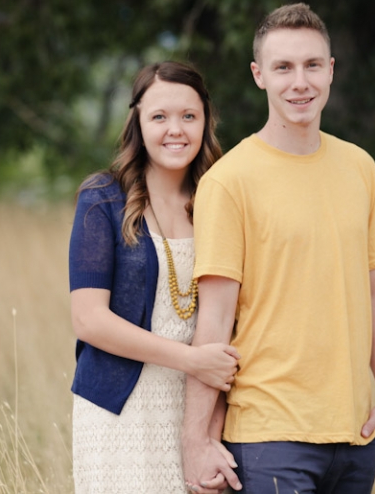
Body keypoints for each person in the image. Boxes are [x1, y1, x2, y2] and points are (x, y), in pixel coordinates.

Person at [181, 3, 375, 494]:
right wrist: (196, 439)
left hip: (356, 434)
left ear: (331, 71)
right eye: (283, 67)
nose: (299, 82)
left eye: (311, 65)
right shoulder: (229, 181)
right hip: (269, 435)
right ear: (259, 76)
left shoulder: (361, 168)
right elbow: (213, 322)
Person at [68, 60, 241, 493]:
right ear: (138, 123)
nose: (175, 129)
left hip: (200, 406)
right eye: (159, 117)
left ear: (206, 121)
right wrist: (190, 360)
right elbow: (89, 319)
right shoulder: (102, 200)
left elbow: (233, 322)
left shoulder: (221, 201)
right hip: (118, 415)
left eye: (188, 116)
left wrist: (208, 429)